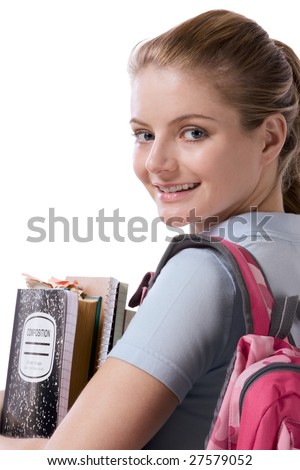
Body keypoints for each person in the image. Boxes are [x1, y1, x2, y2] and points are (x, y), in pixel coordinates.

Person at [1, 8, 300, 450]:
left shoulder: (206, 271)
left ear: (270, 138)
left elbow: (68, 460)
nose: (156, 163)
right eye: (144, 134)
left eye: (193, 132)